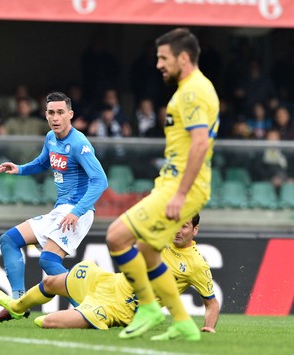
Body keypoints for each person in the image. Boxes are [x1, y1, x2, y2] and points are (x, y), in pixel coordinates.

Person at [105, 28, 220, 341]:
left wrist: (180, 194)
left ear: (183, 58)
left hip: (181, 187)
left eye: (163, 58)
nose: (158, 64)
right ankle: (182, 320)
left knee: (116, 237)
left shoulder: (194, 90)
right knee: (147, 249)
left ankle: (148, 306)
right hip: (173, 184)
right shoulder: (189, 89)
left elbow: (198, 144)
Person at [0, 92, 108, 321]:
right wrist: (20, 168)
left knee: (48, 260)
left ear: (70, 114)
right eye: (51, 112)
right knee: (9, 240)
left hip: (78, 211)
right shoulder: (50, 138)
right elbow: (44, 162)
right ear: (45, 115)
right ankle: (19, 302)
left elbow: (100, 181)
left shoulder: (79, 143)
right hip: (60, 209)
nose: (56, 117)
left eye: (61, 112)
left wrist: (77, 211)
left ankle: (90, 310)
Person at [0, 215, 219, 332]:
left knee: (48, 322)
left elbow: (211, 303)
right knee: (49, 282)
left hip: (121, 308)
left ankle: (89, 314)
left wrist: (209, 328)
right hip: (108, 281)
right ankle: (16, 308)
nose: (178, 230)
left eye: (185, 226)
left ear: (195, 229)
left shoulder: (196, 265)